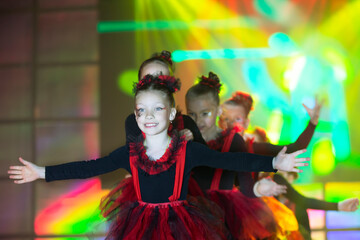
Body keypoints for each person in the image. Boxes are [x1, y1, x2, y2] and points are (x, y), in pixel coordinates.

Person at [8, 74, 309, 239]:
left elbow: (231, 161)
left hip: (183, 226)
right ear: (135, 116)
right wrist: (43, 172)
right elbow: (90, 167)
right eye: (141, 110)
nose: (148, 116)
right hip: (139, 227)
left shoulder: (187, 150)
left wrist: (274, 162)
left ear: (173, 113)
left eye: (157, 109)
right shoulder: (129, 154)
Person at [185, 72, 298, 239]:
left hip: (226, 213)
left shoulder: (233, 141)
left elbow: (245, 176)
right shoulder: (184, 140)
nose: (198, 120)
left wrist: (259, 186)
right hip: (192, 212)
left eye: (205, 113)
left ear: (218, 111)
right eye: (192, 114)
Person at [126, 50, 206, 145]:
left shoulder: (186, 122)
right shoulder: (133, 121)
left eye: (161, 82)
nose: (154, 88)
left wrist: (193, 142)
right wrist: (175, 140)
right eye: (148, 81)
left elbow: (209, 157)